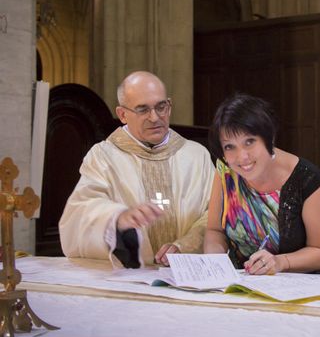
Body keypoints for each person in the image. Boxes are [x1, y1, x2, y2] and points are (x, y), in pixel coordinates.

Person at [59, 71, 214, 268]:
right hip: (130, 279)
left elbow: (215, 213)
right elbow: (80, 212)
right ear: (122, 115)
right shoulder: (103, 156)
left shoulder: (196, 155)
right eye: (143, 110)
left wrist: (185, 245)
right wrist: (117, 218)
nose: (154, 117)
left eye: (161, 107)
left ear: (169, 106)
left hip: (187, 272)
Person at [205, 93, 320, 274]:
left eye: (249, 142)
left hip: (294, 289)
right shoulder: (226, 171)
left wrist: (281, 262)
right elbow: (214, 230)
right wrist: (215, 262)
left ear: (269, 138)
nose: (242, 157)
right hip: (237, 284)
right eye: (230, 147)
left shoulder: (306, 178)